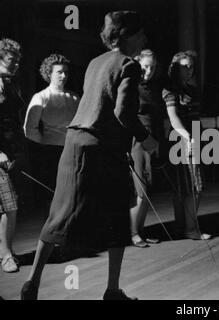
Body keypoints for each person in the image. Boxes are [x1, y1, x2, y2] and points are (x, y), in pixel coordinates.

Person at [21, 11, 150, 300]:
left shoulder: (95, 62)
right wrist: (148, 139)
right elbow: (123, 113)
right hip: (94, 149)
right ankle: (109, 290)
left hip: (81, 146)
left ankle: (34, 284)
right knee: (105, 216)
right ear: (127, 34)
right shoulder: (128, 64)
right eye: (140, 33)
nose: (144, 38)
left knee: (65, 214)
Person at [163, 51, 211, 240]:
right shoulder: (170, 90)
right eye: (184, 66)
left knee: (188, 186)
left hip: (194, 137)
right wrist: (188, 137)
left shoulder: (192, 89)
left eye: (191, 66)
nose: (189, 69)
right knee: (192, 185)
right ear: (175, 68)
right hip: (181, 139)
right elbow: (174, 119)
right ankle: (190, 229)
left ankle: (183, 227)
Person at [24, 54, 80, 196]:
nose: (63, 76)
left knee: (71, 192)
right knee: (52, 193)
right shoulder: (41, 97)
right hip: (50, 153)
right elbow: (29, 128)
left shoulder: (74, 97)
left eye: (66, 72)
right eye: (59, 72)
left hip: (72, 151)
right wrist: (45, 143)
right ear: (49, 73)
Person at [129, 49, 164, 248]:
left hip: (152, 140)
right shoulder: (131, 86)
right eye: (145, 66)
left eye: (152, 67)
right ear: (137, 65)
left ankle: (141, 231)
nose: (148, 70)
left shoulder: (152, 88)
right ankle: (133, 233)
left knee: (147, 191)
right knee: (140, 191)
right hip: (136, 141)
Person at [0, 38, 25, 273]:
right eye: (11, 59)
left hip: (12, 152)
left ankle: (6, 251)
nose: (16, 63)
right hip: (0, 155)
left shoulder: (10, 83)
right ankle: (6, 255)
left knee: (11, 205)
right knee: (9, 206)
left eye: (18, 59)